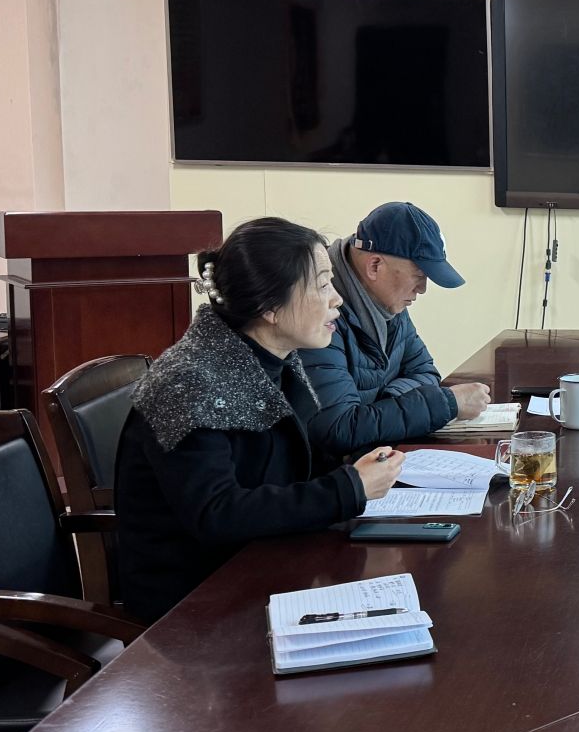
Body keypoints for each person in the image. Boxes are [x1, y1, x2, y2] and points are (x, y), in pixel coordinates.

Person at [116, 218, 405, 622]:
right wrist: (347, 488)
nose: (337, 299)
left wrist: (355, 472)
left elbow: (286, 467)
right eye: (323, 285)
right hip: (194, 605)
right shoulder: (188, 384)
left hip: (264, 562)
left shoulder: (270, 358)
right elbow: (218, 514)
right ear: (269, 306)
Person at [302, 202, 490, 455]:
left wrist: (384, 407)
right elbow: (339, 428)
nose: (422, 289)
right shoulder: (319, 313)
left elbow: (426, 372)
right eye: (419, 276)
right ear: (375, 266)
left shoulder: (388, 304)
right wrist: (446, 403)